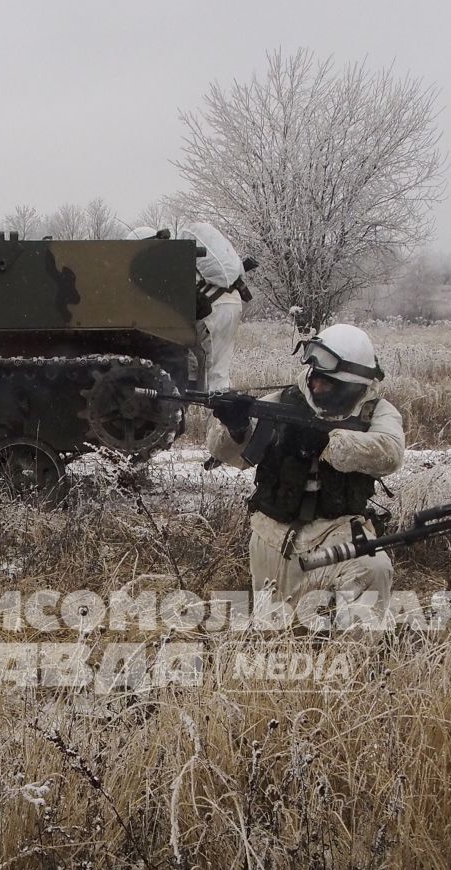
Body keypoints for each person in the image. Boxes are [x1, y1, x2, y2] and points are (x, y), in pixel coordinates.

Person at [206, 323, 405, 623]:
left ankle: (354, 662)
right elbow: (228, 454)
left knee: (373, 569)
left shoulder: (376, 412)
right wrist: (235, 427)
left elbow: (390, 453)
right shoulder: (283, 402)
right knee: (278, 631)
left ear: (351, 385)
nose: (315, 386)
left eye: (327, 382)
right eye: (315, 377)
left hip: (335, 532)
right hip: (272, 534)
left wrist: (329, 442)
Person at [131, 223, 254, 390]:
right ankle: (202, 399)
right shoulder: (180, 257)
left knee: (214, 375)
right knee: (215, 370)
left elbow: (197, 307)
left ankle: (224, 411)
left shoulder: (163, 265)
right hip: (229, 302)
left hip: (214, 309)